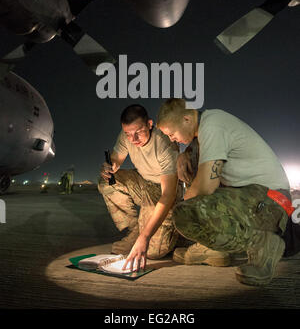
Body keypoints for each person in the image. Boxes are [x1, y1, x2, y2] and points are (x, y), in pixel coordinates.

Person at [157, 98, 292, 286]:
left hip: (271, 202)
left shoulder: (212, 125)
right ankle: (215, 247)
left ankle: (262, 242)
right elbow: (197, 153)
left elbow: (206, 186)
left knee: (185, 213)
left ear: (187, 119)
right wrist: (183, 155)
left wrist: (182, 204)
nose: (171, 139)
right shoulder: (206, 127)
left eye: (171, 134)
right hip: (258, 197)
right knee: (195, 172)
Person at [98, 104, 181, 272]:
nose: (133, 139)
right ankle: (135, 230)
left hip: (163, 189)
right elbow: (117, 159)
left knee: (154, 252)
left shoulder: (164, 144)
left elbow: (168, 195)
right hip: (143, 181)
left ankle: (178, 230)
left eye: (138, 132)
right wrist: (110, 166)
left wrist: (146, 237)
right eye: (128, 134)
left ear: (150, 124)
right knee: (107, 182)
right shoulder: (127, 135)